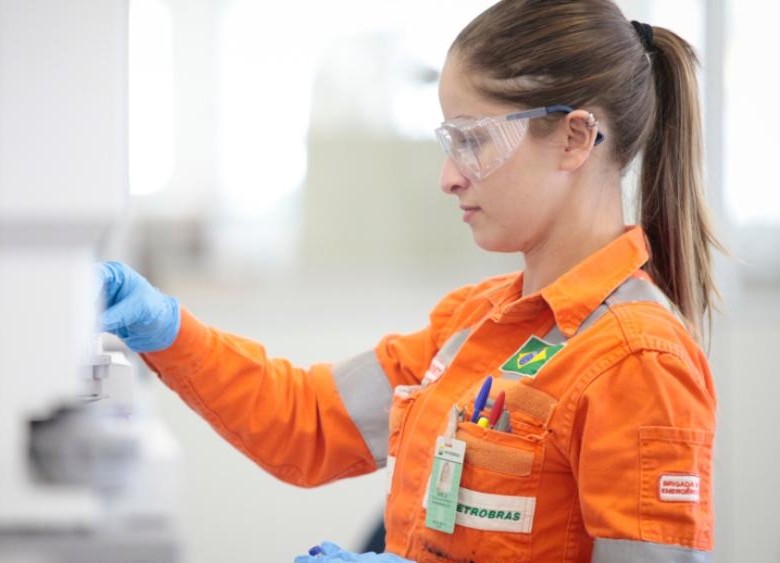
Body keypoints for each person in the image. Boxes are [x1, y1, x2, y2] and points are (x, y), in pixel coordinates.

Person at [97, 0, 720, 561]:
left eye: (473, 139)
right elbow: (307, 422)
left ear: (574, 137)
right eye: (450, 141)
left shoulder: (639, 362)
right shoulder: (473, 324)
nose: (449, 176)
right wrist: (166, 328)